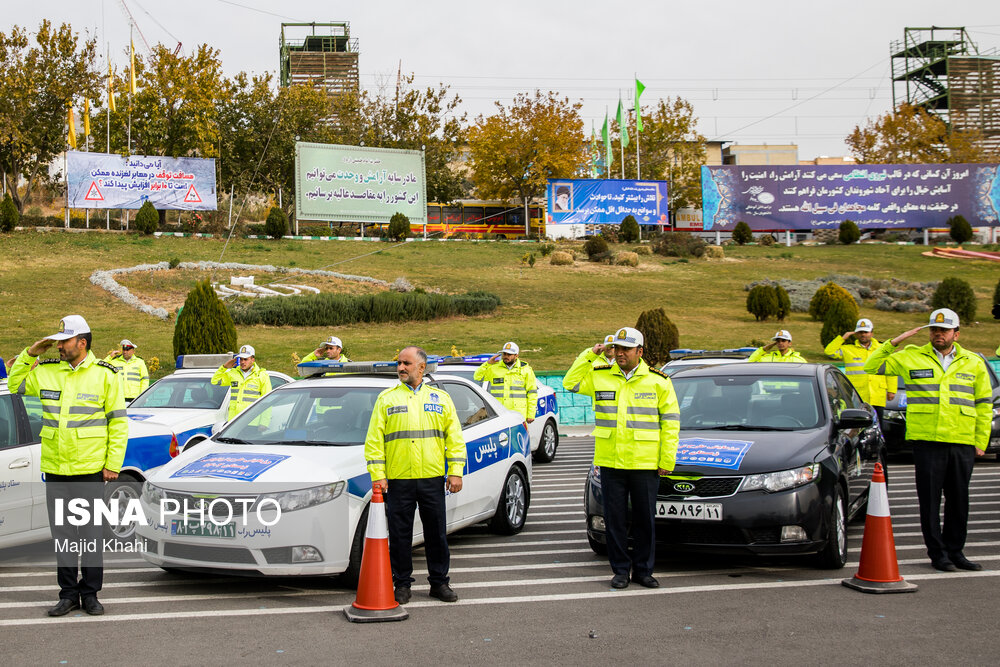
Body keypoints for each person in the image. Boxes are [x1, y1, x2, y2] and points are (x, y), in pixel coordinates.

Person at [7, 315, 127, 617]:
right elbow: (14, 384)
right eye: (58, 341)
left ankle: (90, 594)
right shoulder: (47, 371)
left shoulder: (105, 375)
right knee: (63, 536)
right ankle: (68, 594)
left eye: (65, 341)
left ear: (82, 343)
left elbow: (119, 424)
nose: (59, 346)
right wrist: (31, 353)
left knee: (90, 535)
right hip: (56, 469)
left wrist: (112, 464)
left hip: (89, 471)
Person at [863, 308, 992, 572]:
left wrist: (981, 441)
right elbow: (871, 365)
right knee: (930, 501)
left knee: (959, 500)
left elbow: (984, 404)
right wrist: (895, 341)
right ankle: (938, 554)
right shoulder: (911, 356)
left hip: (962, 441)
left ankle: (956, 552)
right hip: (927, 441)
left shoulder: (973, 362)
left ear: (956, 333)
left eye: (944, 330)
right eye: (934, 329)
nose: (938, 334)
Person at [562, 327, 680, 589]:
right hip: (610, 460)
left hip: (645, 462)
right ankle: (619, 570)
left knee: (644, 521)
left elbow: (670, 423)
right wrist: (590, 354)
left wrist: (666, 461)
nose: (619, 353)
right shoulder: (600, 375)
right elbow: (569, 382)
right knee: (614, 520)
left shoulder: (659, 381)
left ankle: (643, 570)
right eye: (616, 348)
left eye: (626, 349)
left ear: (640, 351)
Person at [364, 346, 466, 604]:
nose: (401, 367)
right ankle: (402, 584)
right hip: (399, 479)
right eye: (399, 363)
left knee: (436, 534)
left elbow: (454, 438)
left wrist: (455, 472)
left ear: (421, 367)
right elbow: (374, 441)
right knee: (400, 535)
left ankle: (440, 583)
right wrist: (378, 475)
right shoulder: (387, 399)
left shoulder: (440, 398)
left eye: (406, 363)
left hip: (432, 478)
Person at [823, 318, 897, 413]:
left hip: (877, 395)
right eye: (860, 332)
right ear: (856, 334)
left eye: (866, 332)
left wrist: (892, 390)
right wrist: (843, 337)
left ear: (872, 333)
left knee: (879, 424)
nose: (863, 335)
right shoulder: (848, 350)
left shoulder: (881, 349)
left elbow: (890, 369)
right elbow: (829, 351)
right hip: (857, 395)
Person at [473, 341, 538, 427]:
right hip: (499, 414)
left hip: (518, 416)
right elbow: (477, 377)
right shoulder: (494, 368)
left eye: (509, 354)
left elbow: (532, 393)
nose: (506, 356)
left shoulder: (526, 370)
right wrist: (487, 364)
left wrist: (531, 414)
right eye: (504, 354)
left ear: (516, 356)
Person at [211, 344, 272, 420]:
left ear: (252, 360)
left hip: (252, 421)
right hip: (234, 420)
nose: (242, 362)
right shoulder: (233, 373)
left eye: (245, 359)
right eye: (241, 359)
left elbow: (267, 401)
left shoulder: (262, 375)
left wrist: (264, 422)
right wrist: (224, 367)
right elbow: (215, 381)